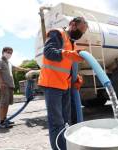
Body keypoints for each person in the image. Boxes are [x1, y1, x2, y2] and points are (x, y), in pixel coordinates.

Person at [38, 17, 88, 150]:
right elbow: (49, 53)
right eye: (80, 29)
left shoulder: (72, 43)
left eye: (83, 32)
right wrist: (71, 54)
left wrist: (75, 77)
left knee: (66, 122)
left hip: (65, 85)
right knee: (57, 123)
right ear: (72, 24)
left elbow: (67, 64)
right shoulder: (57, 33)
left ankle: (65, 147)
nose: (80, 34)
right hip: (52, 85)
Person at [0, 47, 29, 129]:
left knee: (6, 104)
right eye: (8, 52)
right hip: (4, 86)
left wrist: (26, 69)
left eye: (11, 53)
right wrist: (1, 82)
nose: (9, 54)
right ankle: (2, 122)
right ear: (3, 52)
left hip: (9, 86)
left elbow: (16, 68)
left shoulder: (8, 63)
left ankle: (5, 119)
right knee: (3, 104)